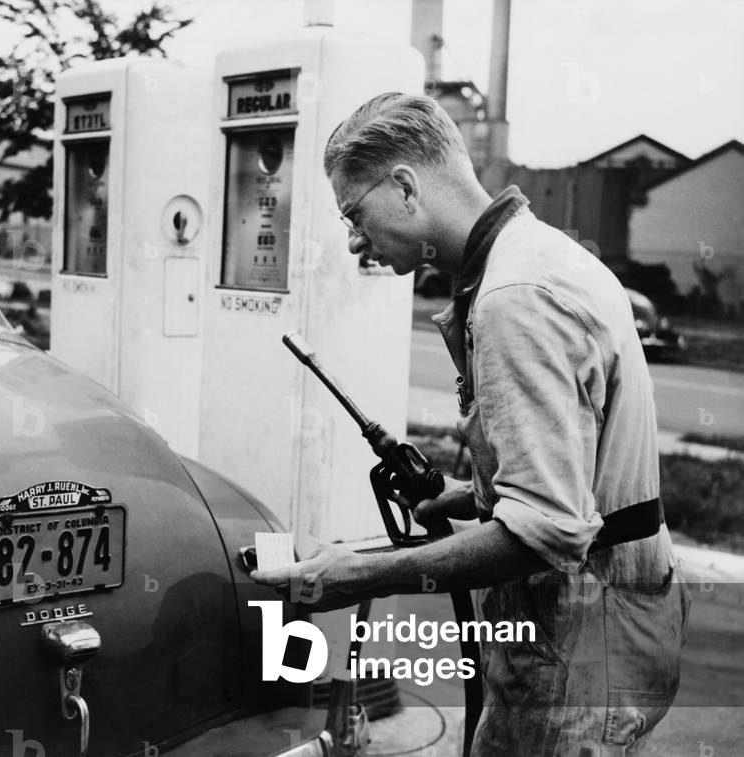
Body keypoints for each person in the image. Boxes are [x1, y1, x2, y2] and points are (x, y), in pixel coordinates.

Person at [250, 93, 690, 755]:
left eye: (353, 212)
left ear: (404, 186)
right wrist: (475, 494)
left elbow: (546, 531)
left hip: (578, 644)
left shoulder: (514, 298)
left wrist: (356, 573)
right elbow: (578, 466)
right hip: (614, 617)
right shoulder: (541, 254)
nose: (350, 239)